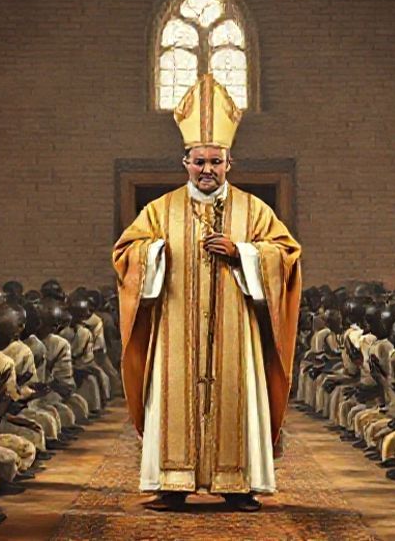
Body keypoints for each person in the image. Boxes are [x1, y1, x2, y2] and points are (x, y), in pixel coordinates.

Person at [114, 74, 302, 512]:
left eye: (215, 162)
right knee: (173, 399)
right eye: (199, 162)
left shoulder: (254, 210)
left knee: (238, 396)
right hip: (176, 333)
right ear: (185, 163)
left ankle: (239, 485)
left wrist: (246, 254)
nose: (207, 170)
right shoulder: (160, 210)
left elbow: (287, 255)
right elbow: (126, 253)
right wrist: (156, 251)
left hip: (236, 335)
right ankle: (172, 484)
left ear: (229, 163)